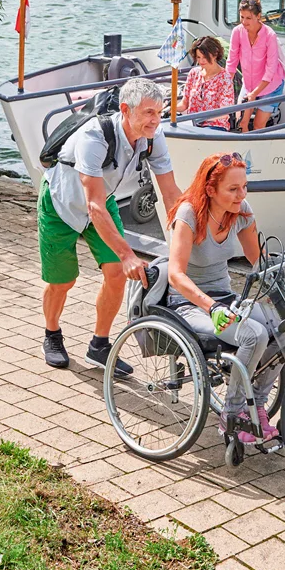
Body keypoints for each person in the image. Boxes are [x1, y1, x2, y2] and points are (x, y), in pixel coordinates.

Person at [39, 76, 181, 371]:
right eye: (149, 113)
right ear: (126, 109)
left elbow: (170, 194)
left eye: (159, 112)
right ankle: (52, 334)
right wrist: (128, 254)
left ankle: (99, 346)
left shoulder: (153, 136)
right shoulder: (95, 135)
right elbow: (93, 207)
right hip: (61, 203)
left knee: (116, 274)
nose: (156, 120)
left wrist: (189, 238)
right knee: (63, 281)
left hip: (103, 202)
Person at [164, 152, 279, 445]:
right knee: (254, 335)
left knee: (283, 327)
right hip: (189, 303)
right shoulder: (189, 214)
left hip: (224, 296)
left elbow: (259, 261)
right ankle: (232, 412)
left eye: (244, 187)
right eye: (233, 189)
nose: (242, 195)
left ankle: (257, 406)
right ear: (211, 190)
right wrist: (211, 306)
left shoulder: (241, 211)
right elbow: (175, 275)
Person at [225, 0, 285, 132]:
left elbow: (270, 70)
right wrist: (225, 86)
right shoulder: (237, 32)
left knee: (258, 126)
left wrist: (254, 94)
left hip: (270, 86)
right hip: (249, 84)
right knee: (241, 124)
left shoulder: (270, 35)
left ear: (258, 16)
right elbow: (231, 62)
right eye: (242, 17)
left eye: (248, 18)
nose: (244, 22)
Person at [180, 35, 235, 129]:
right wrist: (170, 109)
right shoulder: (193, 73)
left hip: (215, 125)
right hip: (192, 124)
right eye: (198, 57)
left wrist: (202, 118)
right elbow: (184, 104)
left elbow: (224, 113)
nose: (201, 61)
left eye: (205, 57)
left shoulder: (225, 78)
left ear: (215, 55)